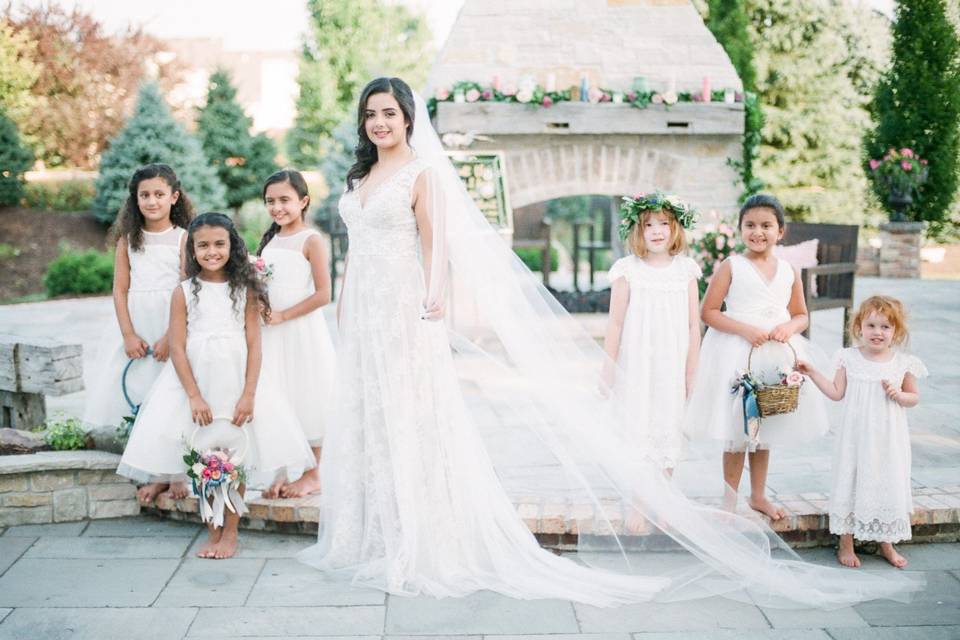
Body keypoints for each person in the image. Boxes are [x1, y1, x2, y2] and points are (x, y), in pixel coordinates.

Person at [299, 76, 920, 608]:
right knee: (371, 413)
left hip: (407, 310)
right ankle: (372, 527)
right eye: (371, 114)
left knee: (412, 413)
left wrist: (433, 299)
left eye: (390, 112)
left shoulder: (422, 172)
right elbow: (355, 251)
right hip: (365, 313)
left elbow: (434, 244)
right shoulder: (359, 177)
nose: (380, 122)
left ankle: (418, 534)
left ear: (409, 117)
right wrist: (347, 307)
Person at [118, 213, 315, 559]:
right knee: (204, 457)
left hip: (237, 380)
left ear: (232, 246)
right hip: (197, 385)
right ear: (192, 250)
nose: (212, 251)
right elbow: (177, 347)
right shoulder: (182, 292)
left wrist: (249, 394)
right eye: (203, 245)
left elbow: (255, 345)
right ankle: (213, 529)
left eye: (219, 244)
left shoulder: (246, 289)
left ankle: (232, 532)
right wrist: (193, 395)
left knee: (234, 456)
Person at [684, 194, 829, 520]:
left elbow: (801, 315)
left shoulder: (789, 270)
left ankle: (759, 495)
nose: (757, 232)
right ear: (740, 229)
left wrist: (788, 327)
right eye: (750, 225)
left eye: (766, 225)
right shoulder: (731, 267)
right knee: (738, 429)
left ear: (781, 231)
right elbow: (708, 312)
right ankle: (729, 499)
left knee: (766, 427)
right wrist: (745, 330)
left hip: (775, 354)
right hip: (738, 353)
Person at [82, 163, 192, 503]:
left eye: (159, 194)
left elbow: (188, 287)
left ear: (174, 197)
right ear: (135, 199)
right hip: (137, 326)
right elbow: (120, 290)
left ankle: (178, 472)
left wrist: (169, 338)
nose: (152, 201)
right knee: (141, 395)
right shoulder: (129, 241)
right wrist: (129, 334)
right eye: (144, 195)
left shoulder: (183, 237)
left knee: (173, 396)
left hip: (169, 324)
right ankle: (155, 473)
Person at [797, 295, 926, 569]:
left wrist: (899, 394)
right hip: (856, 437)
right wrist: (812, 372)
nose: (877, 332)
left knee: (886, 480)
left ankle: (886, 542)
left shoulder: (903, 363)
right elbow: (836, 392)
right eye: (871, 325)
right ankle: (846, 541)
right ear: (859, 328)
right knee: (852, 478)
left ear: (896, 331)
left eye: (885, 327)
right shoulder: (848, 358)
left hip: (888, 438)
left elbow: (914, 397)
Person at [602, 193, 701, 471]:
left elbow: (694, 326)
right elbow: (615, 324)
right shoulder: (627, 270)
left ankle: (664, 504)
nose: (657, 231)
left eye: (664, 223)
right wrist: (608, 368)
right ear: (637, 229)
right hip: (638, 362)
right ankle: (637, 510)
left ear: (675, 228)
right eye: (648, 224)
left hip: (672, 363)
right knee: (638, 430)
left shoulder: (686, 271)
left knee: (669, 425)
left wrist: (691, 370)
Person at [255, 170, 336, 498]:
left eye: (285, 200)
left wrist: (285, 315)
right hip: (272, 332)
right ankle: (284, 469)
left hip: (299, 329)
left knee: (306, 393)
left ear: (303, 201)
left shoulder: (311, 239)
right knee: (279, 394)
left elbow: (323, 293)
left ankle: (313, 472)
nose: (277, 207)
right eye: (270, 201)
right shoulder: (271, 240)